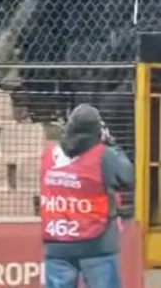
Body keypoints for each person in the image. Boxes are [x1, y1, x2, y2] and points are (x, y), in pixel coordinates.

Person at [40, 104, 135, 288]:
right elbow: (127, 177)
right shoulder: (104, 156)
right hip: (97, 245)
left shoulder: (49, 155)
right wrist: (111, 142)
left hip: (57, 244)